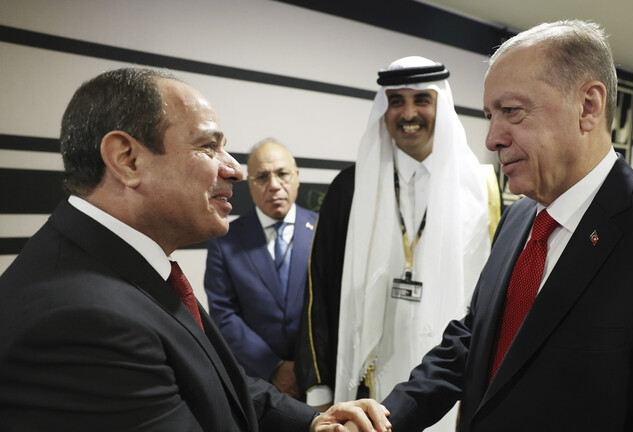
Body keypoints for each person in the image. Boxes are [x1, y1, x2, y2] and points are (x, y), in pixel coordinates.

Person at [378, 20, 633, 431]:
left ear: (588, 106)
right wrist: (382, 419)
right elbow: (476, 338)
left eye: (511, 111)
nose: (491, 138)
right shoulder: (518, 218)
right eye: (490, 115)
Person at [0, 67, 389, 432]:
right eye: (209, 146)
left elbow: (211, 379)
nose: (235, 170)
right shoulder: (83, 320)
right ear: (127, 160)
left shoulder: (123, 263)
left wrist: (314, 421)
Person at [295, 56, 500, 431]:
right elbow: (318, 293)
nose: (408, 113)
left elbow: (492, 303)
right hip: (367, 387)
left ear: (441, 105)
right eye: (396, 101)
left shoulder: (481, 189)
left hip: (451, 391)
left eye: (422, 99)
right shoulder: (350, 189)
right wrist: (319, 389)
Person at [204, 139, 317, 398]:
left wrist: (312, 368)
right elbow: (224, 314)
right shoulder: (225, 240)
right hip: (258, 384)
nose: (274, 185)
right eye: (262, 177)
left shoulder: (325, 231)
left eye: (282, 174)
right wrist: (274, 367)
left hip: (321, 379)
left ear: (297, 176)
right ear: (249, 183)